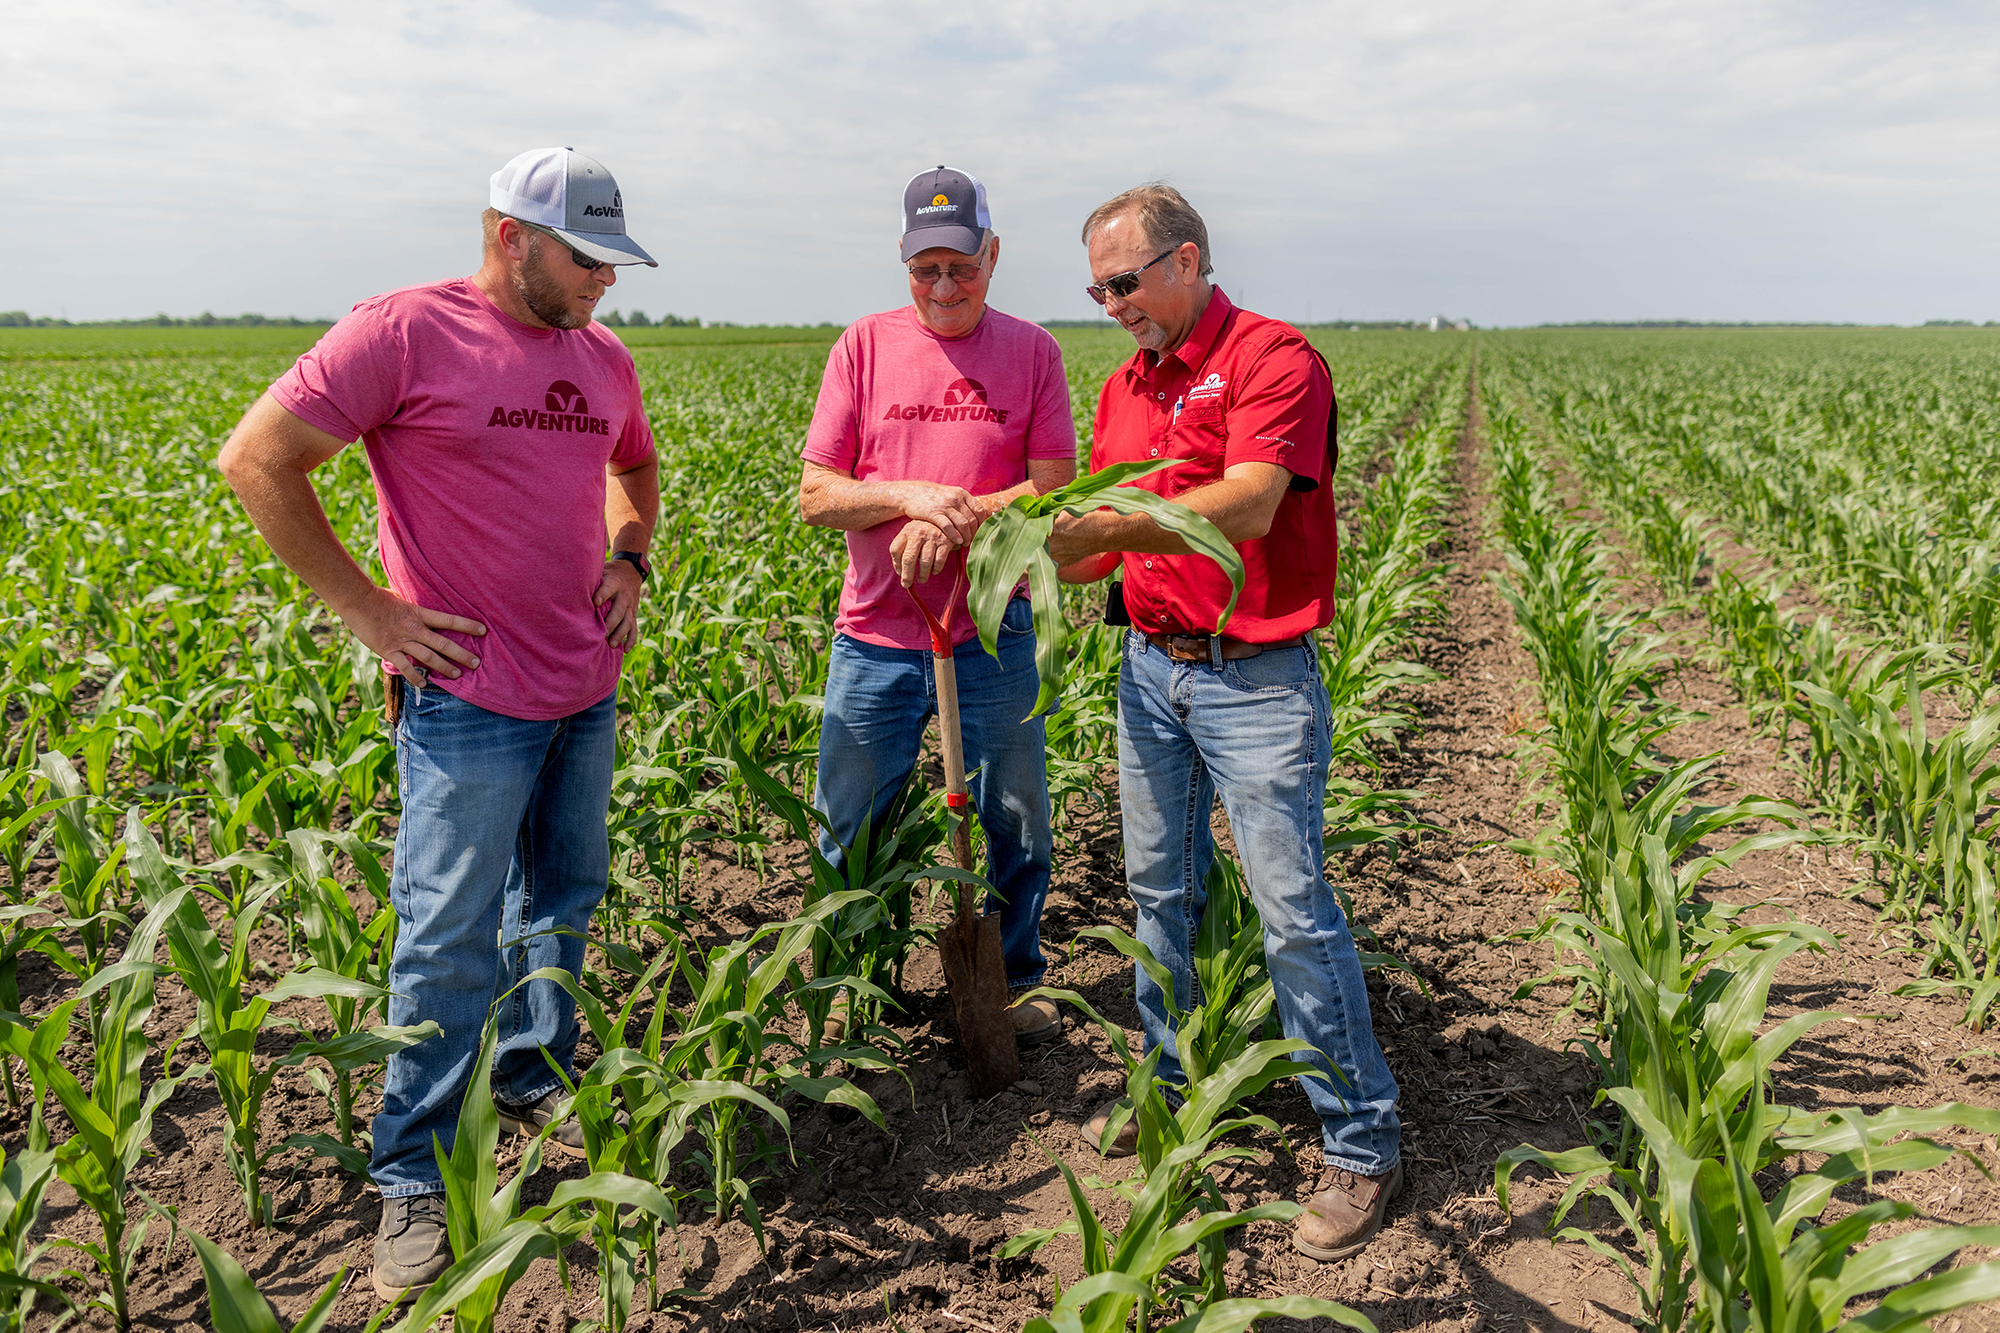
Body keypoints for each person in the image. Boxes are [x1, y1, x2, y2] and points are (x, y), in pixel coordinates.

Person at [217, 146, 661, 1300]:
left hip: (584, 683)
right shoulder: (403, 332)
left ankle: (529, 1067)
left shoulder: (601, 355)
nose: (604, 281)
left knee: (560, 899)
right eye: (585, 256)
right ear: (509, 235)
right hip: (468, 700)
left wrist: (630, 557)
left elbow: (636, 468)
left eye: (614, 260)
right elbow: (257, 458)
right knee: (447, 935)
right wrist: (367, 611)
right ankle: (410, 1169)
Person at [1046, 183, 1403, 1261]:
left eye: (1123, 281)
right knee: (1158, 890)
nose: (1109, 303)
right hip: (1149, 670)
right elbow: (1095, 547)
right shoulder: (1120, 387)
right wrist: (1036, 538)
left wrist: (1111, 519)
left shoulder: (1269, 358)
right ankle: (1168, 1086)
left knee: (1289, 907)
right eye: (1095, 286)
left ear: (1186, 260)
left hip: (1254, 678)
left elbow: (1248, 500)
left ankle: (1361, 1141)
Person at [798, 165, 1076, 1042]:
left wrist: (960, 525)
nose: (945, 287)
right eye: (926, 270)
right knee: (853, 824)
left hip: (995, 628)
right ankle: (854, 984)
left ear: (992, 255)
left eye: (961, 266)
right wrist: (914, 495)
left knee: (1017, 818)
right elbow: (817, 493)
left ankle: (1016, 975)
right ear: (905, 263)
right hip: (877, 635)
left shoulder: (1033, 351)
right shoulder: (863, 346)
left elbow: (1054, 485)